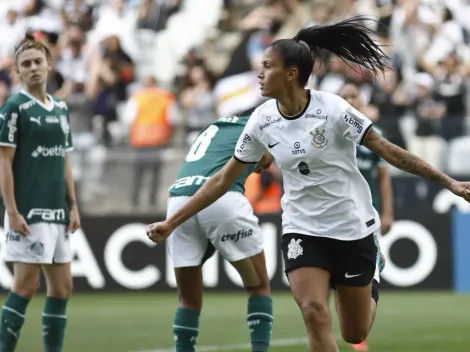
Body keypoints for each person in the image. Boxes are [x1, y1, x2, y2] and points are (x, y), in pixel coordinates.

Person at [147, 17, 470, 352]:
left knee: (354, 333)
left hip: (352, 227)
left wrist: (448, 183)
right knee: (314, 313)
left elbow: (390, 152)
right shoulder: (261, 119)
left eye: (267, 66)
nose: (259, 73)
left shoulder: (333, 110)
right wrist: (171, 223)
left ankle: (373, 267)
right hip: (302, 227)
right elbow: (221, 180)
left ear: (291, 74)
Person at [165, 111, 274, 352]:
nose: (261, 169)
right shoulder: (261, 126)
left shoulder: (215, 128)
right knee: (258, 287)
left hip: (178, 201)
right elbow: (267, 158)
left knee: (187, 299)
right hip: (221, 199)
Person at [0, 33, 80, 352]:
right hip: (29, 211)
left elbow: (64, 160)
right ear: (18, 72)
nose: (33, 68)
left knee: (62, 288)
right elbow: (4, 163)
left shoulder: (60, 107)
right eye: (26, 64)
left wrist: (73, 205)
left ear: (49, 64)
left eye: (38, 62)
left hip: (57, 210)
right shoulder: (14, 107)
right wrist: (12, 210)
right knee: (25, 285)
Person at [339, 83, 394, 351]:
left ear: (360, 101)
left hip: (366, 217)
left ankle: (359, 338)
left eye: (353, 96)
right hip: (336, 217)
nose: (350, 100)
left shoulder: (373, 135)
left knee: (360, 275)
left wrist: (387, 212)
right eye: (344, 97)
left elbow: (384, 180)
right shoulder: (332, 134)